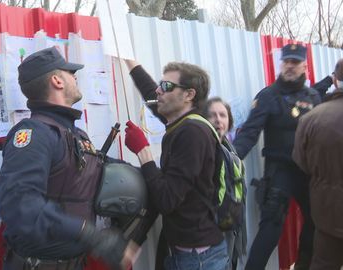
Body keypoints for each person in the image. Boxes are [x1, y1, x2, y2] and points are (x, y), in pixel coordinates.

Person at [0, 47, 136, 270]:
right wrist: (90, 234)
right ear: (57, 81)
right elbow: (20, 206)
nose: (75, 77)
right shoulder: (34, 135)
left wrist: (150, 172)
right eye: (70, 73)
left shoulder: (75, 134)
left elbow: (103, 167)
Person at [124, 59, 228, 270]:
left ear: (189, 95)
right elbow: (152, 95)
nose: (158, 91)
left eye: (166, 86)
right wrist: (131, 62)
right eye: (160, 85)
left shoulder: (192, 133)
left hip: (199, 260)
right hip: (188, 254)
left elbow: (166, 199)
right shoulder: (182, 123)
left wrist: (144, 152)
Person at [232, 44, 320, 270]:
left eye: (295, 62)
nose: (290, 66)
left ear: (304, 66)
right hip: (279, 171)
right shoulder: (268, 96)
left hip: (307, 172)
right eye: (286, 62)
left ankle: (302, 265)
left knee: (315, 222)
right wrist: (229, 158)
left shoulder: (313, 97)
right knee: (270, 228)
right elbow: (249, 133)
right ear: (281, 64)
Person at [293, 59, 343, 270]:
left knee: (324, 263)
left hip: (327, 214)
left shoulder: (311, 118)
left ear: (335, 80)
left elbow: (301, 162)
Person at [203, 97, 246, 270]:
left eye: (222, 115)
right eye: (212, 115)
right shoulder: (205, 149)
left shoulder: (231, 152)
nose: (218, 120)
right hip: (210, 237)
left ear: (229, 122)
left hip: (231, 229)